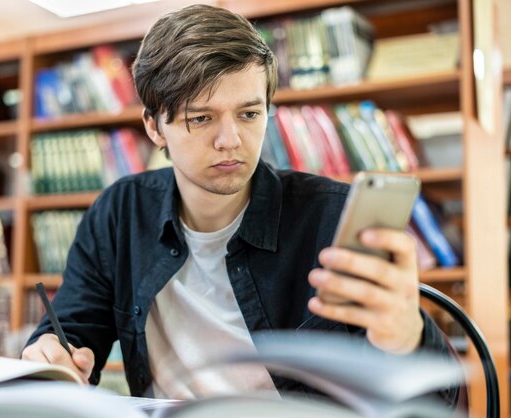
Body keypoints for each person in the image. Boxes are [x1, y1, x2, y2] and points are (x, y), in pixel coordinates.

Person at [23, 3, 458, 407]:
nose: (230, 140)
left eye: (249, 114)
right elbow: (72, 332)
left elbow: (443, 405)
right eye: (201, 117)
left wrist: (407, 340)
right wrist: (53, 356)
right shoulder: (120, 213)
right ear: (155, 127)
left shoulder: (331, 217)